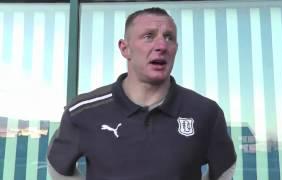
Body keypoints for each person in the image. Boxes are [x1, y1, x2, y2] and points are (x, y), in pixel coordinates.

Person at [47, 7, 236, 180]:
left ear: (176, 49)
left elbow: (224, 168)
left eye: (169, 37)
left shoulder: (205, 113)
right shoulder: (83, 112)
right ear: (125, 48)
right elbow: (58, 166)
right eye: (149, 36)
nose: (162, 45)